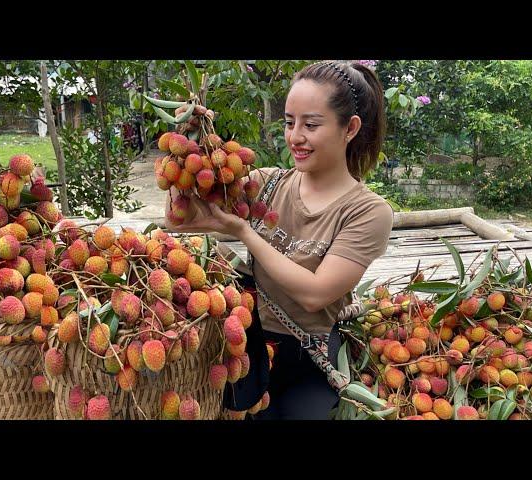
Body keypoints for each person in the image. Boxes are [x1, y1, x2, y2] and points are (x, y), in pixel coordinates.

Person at [164, 60, 394, 420]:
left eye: (311, 125)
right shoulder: (266, 183)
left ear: (349, 128)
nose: (295, 137)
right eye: (290, 122)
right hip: (246, 342)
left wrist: (244, 233)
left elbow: (315, 293)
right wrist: (187, 152)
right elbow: (180, 219)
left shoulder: (367, 211)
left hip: (307, 355)